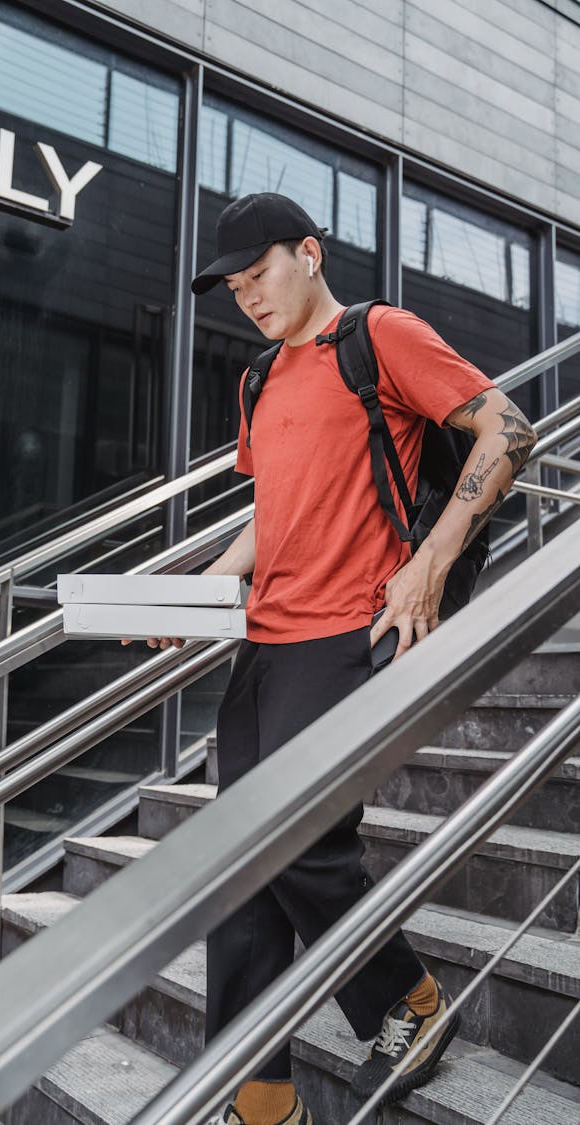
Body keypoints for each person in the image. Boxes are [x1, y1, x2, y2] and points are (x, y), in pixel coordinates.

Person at [132, 192, 536, 1125]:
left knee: (302, 846)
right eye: (233, 288)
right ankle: (261, 1098)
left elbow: (506, 431)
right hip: (264, 641)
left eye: (259, 274)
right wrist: (193, 590)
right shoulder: (258, 379)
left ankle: (408, 1002)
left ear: (308, 252)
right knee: (238, 862)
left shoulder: (379, 335)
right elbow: (272, 517)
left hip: (350, 633)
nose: (249, 298)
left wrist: (429, 563)